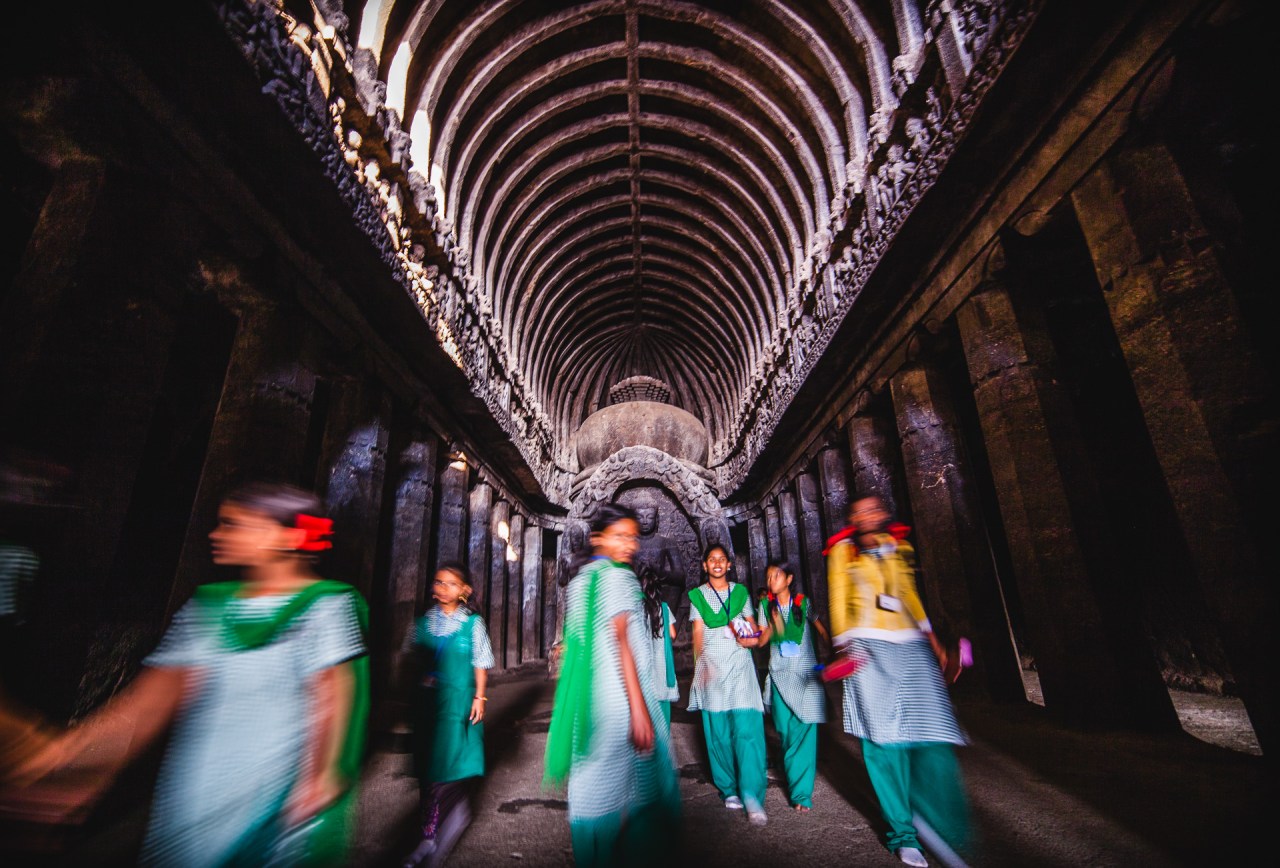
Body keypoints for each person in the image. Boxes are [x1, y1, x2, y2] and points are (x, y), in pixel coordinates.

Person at [18, 481, 369, 867]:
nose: (216, 534)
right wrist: (79, 762)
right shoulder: (209, 605)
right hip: (199, 788)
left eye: (234, 525)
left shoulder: (326, 607)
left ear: (287, 536)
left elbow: (331, 694)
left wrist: (317, 778)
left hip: (276, 797)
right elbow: (149, 702)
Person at [825, 493, 971, 868]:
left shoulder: (897, 546)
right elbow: (839, 599)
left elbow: (908, 595)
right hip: (867, 645)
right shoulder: (844, 552)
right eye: (861, 512)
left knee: (932, 732)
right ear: (853, 520)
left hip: (910, 645)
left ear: (883, 512)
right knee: (881, 739)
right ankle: (903, 833)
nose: (869, 515)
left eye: (874, 508)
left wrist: (933, 640)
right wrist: (843, 646)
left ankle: (935, 815)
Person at [544, 503, 680, 868]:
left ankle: (595, 852)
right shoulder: (619, 577)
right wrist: (639, 710)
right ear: (597, 538)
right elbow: (622, 643)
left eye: (632, 537)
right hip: (619, 698)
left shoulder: (581, 578)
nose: (629, 545)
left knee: (593, 782)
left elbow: (577, 643)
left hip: (588, 700)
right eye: (620, 536)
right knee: (640, 783)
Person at [402, 562, 494, 868]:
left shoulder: (472, 624)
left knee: (449, 766)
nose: (443, 589)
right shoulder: (423, 623)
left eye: (451, 584)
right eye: (439, 582)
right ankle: (428, 836)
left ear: (464, 591)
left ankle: (449, 823)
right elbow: (412, 659)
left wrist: (480, 697)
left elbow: (481, 662)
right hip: (429, 705)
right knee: (428, 771)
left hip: (458, 703)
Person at [687, 542, 769, 825]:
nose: (718, 563)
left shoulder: (741, 593)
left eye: (722, 559)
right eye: (712, 559)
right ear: (705, 566)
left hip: (740, 663)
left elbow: (751, 625)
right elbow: (698, 634)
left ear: (729, 565)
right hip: (712, 665)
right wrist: (700, 667)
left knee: (748, 728)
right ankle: (728, 788)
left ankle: (752, 793)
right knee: (718, 733)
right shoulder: (697, 597)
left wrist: (754, 637)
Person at [756, 561, 828, 812]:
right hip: (779, 675)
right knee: (786, 733)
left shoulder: (802, 603)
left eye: (776, 575)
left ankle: (801, 794)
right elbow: (763, 639)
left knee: (805, 732)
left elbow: (818, 627)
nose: (771, 580)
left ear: (788, 578)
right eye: (768, 577)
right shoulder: (765, 605)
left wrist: (833, 652)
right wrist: (751, 637)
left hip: (805, 674)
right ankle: (794, 776)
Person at [639, 566, 679, 728]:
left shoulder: (638, 608)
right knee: (662, 711)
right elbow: (673, 634)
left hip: (644, 665)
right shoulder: (664, 608)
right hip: (662, 665)